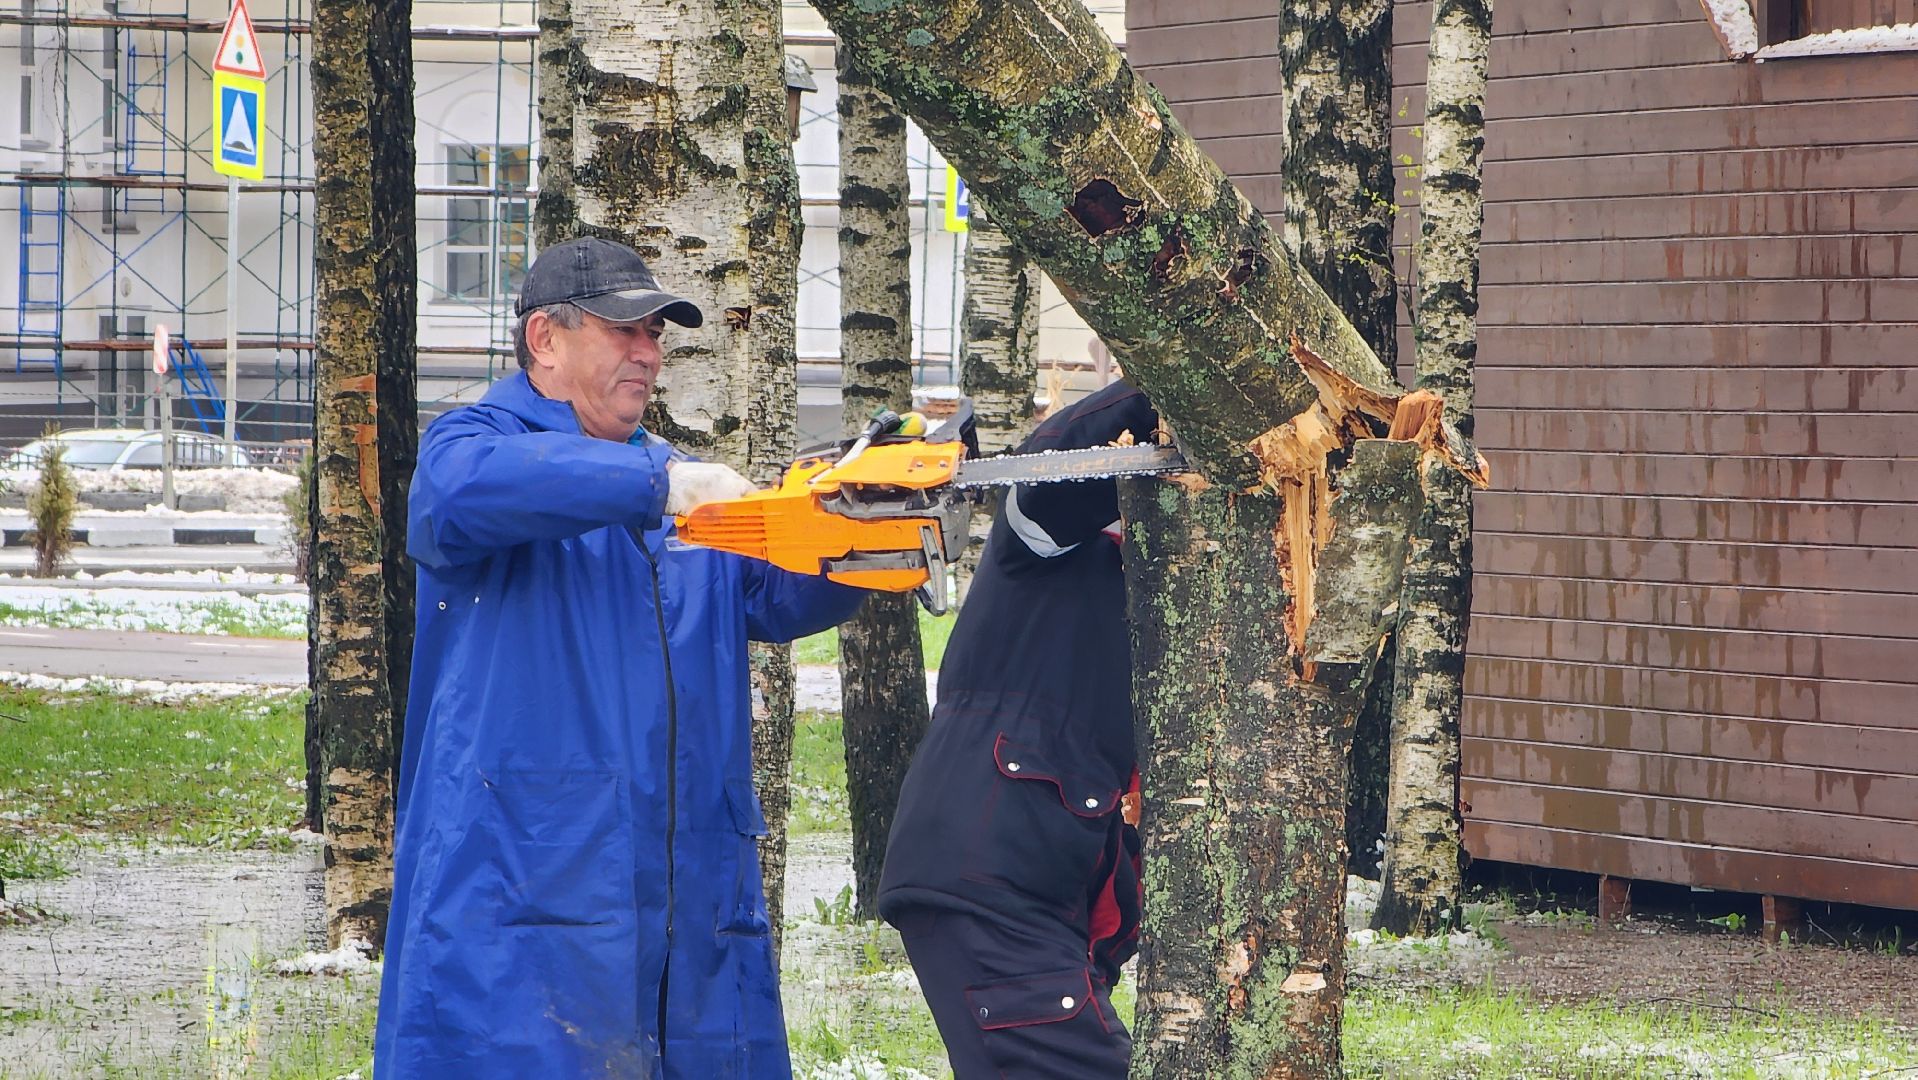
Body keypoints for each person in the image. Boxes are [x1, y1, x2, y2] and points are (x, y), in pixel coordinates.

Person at [374, 237, 866, 1079]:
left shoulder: (672, 477)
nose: (649, 353)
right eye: (624, 330)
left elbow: (774, 595)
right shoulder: (475, 445)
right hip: (526, 901)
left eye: (658, 335)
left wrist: (864, 538)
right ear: (545, 339)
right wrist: (652, 488)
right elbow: (457, 498)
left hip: (691, 903)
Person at [877, 379, 1160, 1078]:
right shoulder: (1049, 537)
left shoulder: (1163, 580)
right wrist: (1164, 383)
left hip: (1034, 889)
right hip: (991, 879)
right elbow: (1047, 471)